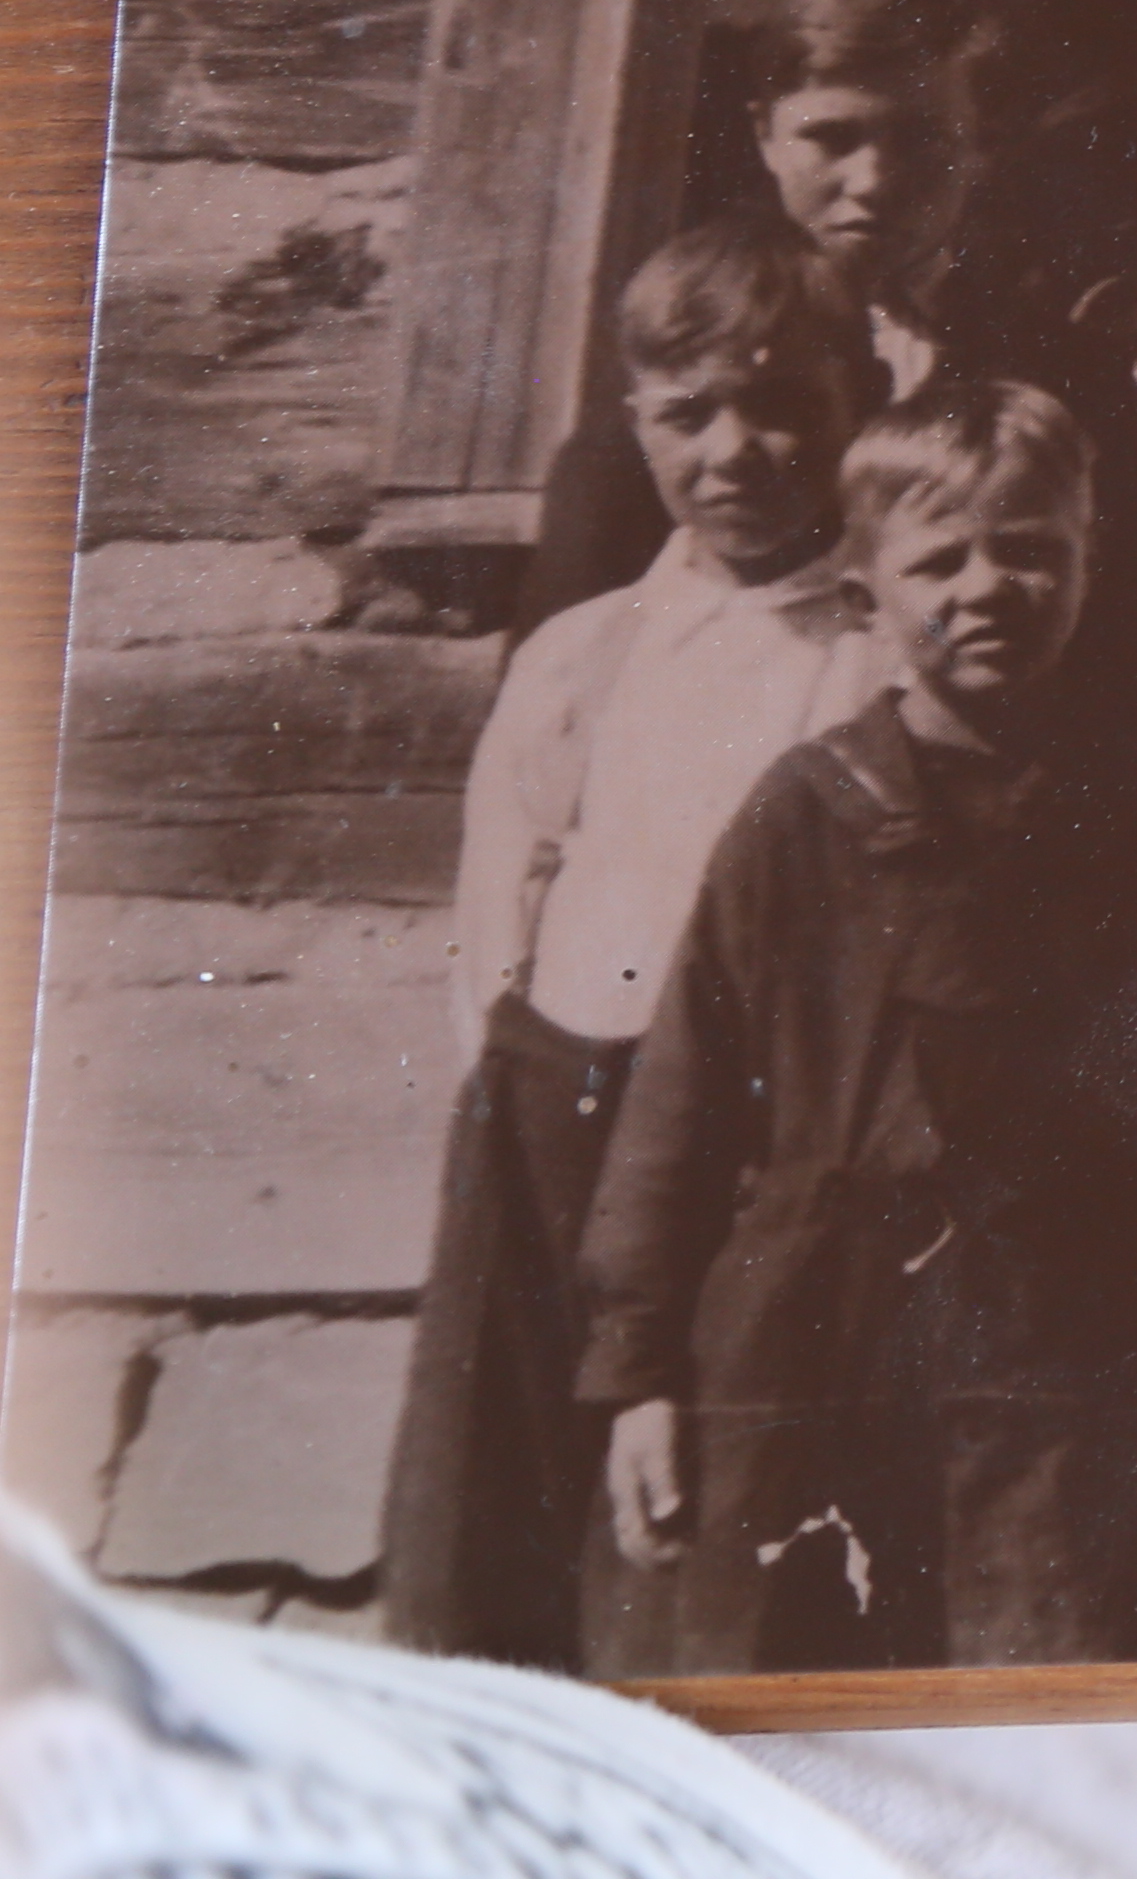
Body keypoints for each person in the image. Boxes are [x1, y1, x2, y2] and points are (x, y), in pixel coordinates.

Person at [573, 385, 1137, 1671]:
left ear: (1090, 560)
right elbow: (682, 1098)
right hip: (807, 1343)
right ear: (869, 586)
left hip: (1052, 1356)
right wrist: (638, 1375)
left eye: (1033, 550)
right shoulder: (803, 817)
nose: (989, 586)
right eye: (940, 560)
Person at [379, 223, 884, 1672]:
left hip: (749, 1146)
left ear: (858, 398)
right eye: (687, 415)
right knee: (505, 1523)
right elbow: (501, 910)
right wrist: (514, 1117)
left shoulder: (878, 646)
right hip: (553, 1134)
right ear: (636, 422)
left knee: (695, 1528)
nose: (736, 449)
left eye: (783, 402)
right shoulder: (587, 652)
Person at [523, 0, 1137, 633]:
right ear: (765, 135)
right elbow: (566, 679)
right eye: (831, 138)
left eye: (922, 139)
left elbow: (1115, 647)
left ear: (983, 147)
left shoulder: (1070, 383)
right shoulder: (678, 382)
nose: (875, 182)